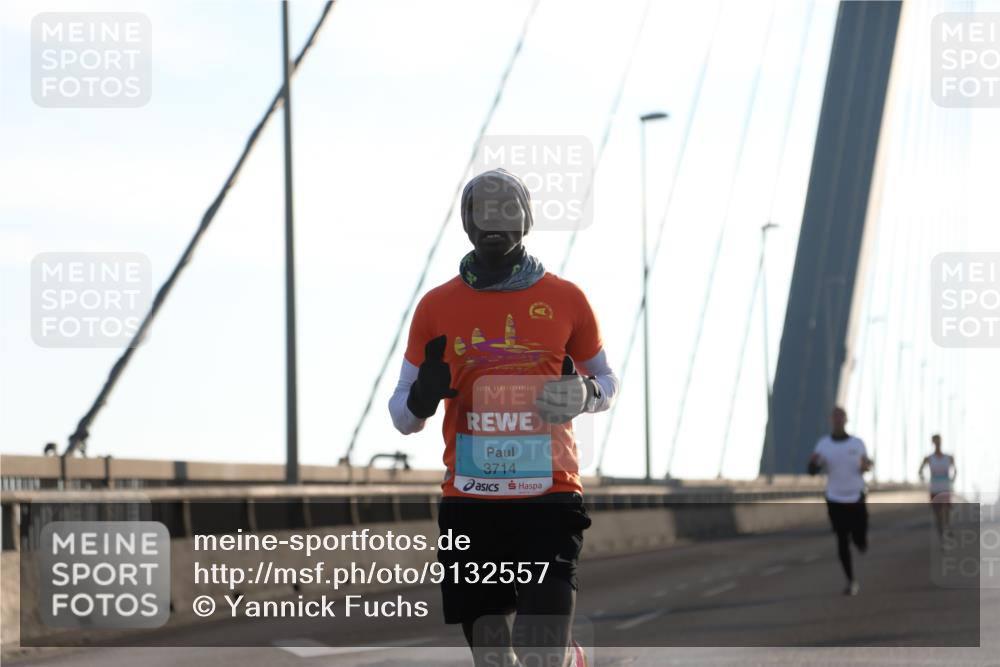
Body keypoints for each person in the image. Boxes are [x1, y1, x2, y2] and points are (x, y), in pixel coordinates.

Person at [389, 168, 619, 667]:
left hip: (549, 496)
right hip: (470, 500)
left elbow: (608, 385)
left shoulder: (567, 299)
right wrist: (422, 399)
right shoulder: (436, 307)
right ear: (467, 223)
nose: (495, 221)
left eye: (507, 210)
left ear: (526, 220)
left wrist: (584, 392)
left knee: (542, 654)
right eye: (483, 211)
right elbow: (401, 416)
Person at [807, 406, 873, 596]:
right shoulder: (823, 444)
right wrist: (812, 462)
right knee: (841, 539)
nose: (837, 420)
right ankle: (850, 580)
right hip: (834, 497)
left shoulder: (857, 443)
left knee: (860, 540)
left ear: (846, 420)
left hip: (856, 496)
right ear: (830, 420)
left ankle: (861, 541)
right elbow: (812, 471)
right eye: (834, 417)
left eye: (840, 417)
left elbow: (865, 466)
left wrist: (866, 465)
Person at [918, 434, 957, 538]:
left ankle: (948, 528)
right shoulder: (929, 458)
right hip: (934, 488)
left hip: (945, 488)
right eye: (935, 442)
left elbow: (955, 470)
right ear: (933, 443)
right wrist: (923, 479)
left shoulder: (949, 457)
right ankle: (941, 534)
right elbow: (920, 471)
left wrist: (952, 480)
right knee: (937, 514)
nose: (937, 444)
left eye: (939, 441)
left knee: (947, 512)